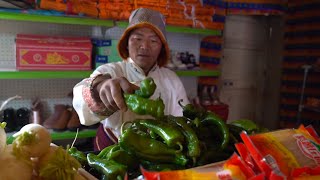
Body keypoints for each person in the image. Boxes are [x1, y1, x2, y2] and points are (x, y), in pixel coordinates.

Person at [72, 8, 190, 151]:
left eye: (153, 40)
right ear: (126, 43)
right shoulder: (111, 71)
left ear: (162, 48)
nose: (144, 46)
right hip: (113, 150)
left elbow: (183, 119)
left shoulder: (171, 79)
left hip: (157, 152)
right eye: (137, 38)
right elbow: (80, 99)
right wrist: (99, 88)